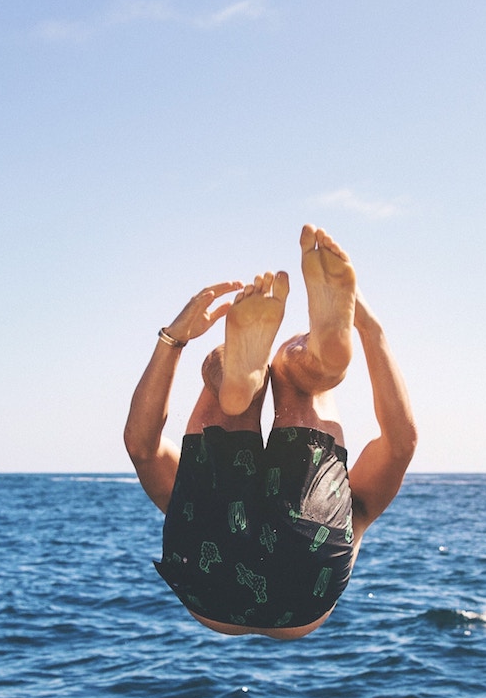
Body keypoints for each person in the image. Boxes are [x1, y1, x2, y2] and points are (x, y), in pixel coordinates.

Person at [123, 227, 417, 639]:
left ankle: (252, 376)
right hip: (302, 582)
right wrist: (372, 331)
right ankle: (309, 363)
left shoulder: (181, 494)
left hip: (209, 579)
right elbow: (140, 446)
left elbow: (402, 444)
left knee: (260, 376)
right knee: (293, 381)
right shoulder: (178, 491)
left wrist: (171, 340)